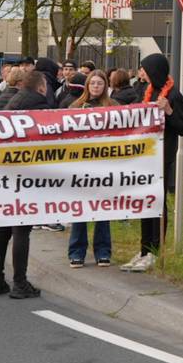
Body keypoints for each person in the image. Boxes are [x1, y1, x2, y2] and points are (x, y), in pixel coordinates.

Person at [0, 69, 50, 300]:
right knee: (22, 228)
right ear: (41, 88)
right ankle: (20, 283)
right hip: (28, 175)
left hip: (5, 173)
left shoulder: (8, 104)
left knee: (2, 228)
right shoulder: (42, 109)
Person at [122, 54, 183, 273]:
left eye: (145, 69)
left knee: (157, 202)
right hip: (145, 154)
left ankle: (155, 250)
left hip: (163, 154)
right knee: (144, 200)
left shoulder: (174, 94)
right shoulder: (144, 92)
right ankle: (144, 248)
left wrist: (168, 111)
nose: (142, 73)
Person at [67, 70, 114, 267]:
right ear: (87, 85)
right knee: (80, 210)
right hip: (81, 166)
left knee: (102, 209)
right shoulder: (75, 106)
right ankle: (77, 252)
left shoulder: (113, 107)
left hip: (104, 166)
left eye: (99, 83)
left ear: (105, 86)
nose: (96, 86)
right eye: (93, 83)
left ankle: (103, 251)